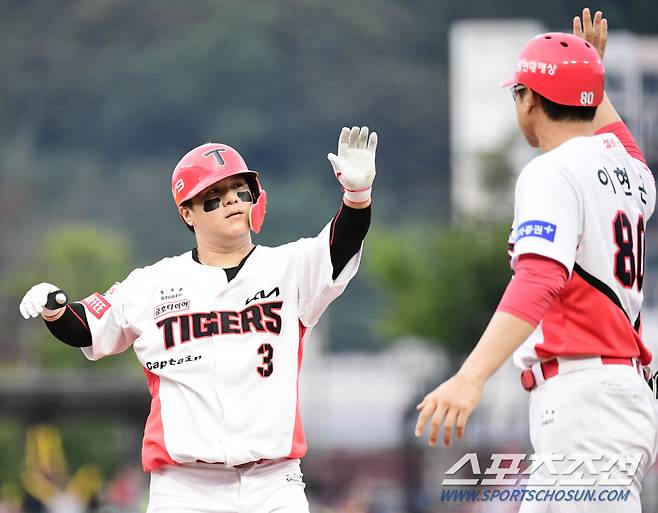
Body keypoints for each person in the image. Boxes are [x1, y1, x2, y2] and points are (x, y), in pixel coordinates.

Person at [19, 125, 378, 513]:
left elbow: (340, 246)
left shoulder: (288, 267)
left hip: (274, 482)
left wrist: (356, 197)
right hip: (185, 487)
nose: (231, 201)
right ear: (186, 213)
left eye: (240, 190)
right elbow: (86, 325)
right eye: (213, 196)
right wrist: (55, 309)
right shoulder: (153, 284)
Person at [415, 9, 657, 512]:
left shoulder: (551, 171)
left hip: (587, 403)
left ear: (530, 101)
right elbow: (621, 141)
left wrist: (472, 375)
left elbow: (541, 277)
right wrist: (592, 75)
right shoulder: (632, 172)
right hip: (602, 397)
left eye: (517, 93)